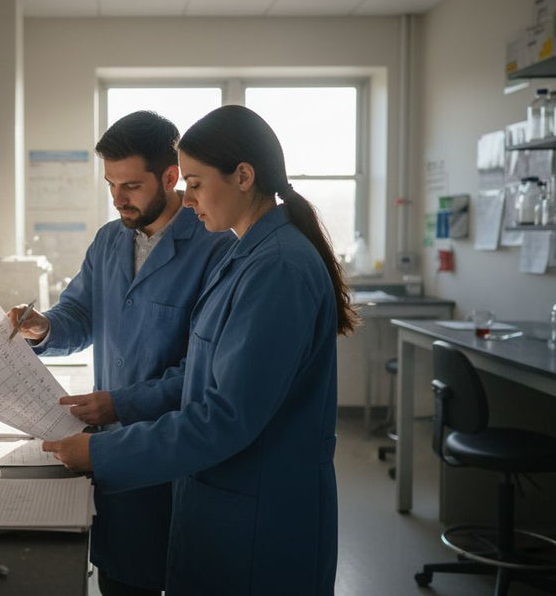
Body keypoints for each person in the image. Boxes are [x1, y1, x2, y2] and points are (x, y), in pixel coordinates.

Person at [42, 105, 359, 595]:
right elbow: (206, 384)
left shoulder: (275, 267)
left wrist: (102, 450)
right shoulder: (247, 253)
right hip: (220, 501)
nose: (186, 200)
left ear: (243, 176)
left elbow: (223, 415)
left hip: (258, 517)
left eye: (193, 182)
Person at [8, 110, 235, 595]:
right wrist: (43, 327)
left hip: (174, 449)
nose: (117, 199)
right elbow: (80, 315)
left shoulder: (214, 246)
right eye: (110, 184)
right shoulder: (110, 241)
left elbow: (203, 370)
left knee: (181, 569)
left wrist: (123, 403)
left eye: (130, 186)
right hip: (110, 451)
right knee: (122, 578)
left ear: (170, 177)